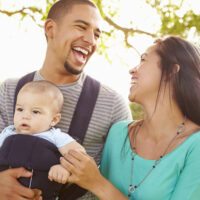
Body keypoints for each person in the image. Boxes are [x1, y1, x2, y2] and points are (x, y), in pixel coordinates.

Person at [0, 0, 132, 199]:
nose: (91, 40)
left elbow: (127, 182)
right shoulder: (8, 90)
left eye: (97, 34)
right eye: (81, 27)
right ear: (51, 28)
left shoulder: (113, 104)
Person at [60, 35, 200, 200]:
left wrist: (97, 183)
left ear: (170, 71)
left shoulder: (195, 145)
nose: (132, 69)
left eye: (143, 60)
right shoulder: (118, 133)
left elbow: (99, 187)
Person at [0, 80, 86, 199]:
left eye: (35, 112)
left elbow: (79, 154)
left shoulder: (55, 136)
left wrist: (63, 167)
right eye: (20, 109)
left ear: (54, 120)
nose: (25, 116)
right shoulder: (6, 133)